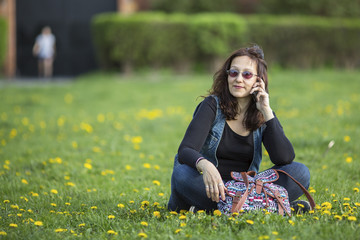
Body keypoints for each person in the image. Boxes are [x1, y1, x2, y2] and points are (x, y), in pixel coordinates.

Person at [168, 45, 310, 213]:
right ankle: (266, 206)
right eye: (234, 73)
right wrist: (205, 166)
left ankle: (224, 208)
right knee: (182, 173)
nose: (239, 79)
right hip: (213, 188)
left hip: (247, 188)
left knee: (300, 172)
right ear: (227, 76)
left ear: (259, 81)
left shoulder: (262, 113)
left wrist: (266, 111)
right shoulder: (211, 106)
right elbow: (186, 150)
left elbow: (284, 157)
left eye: (247, 74)